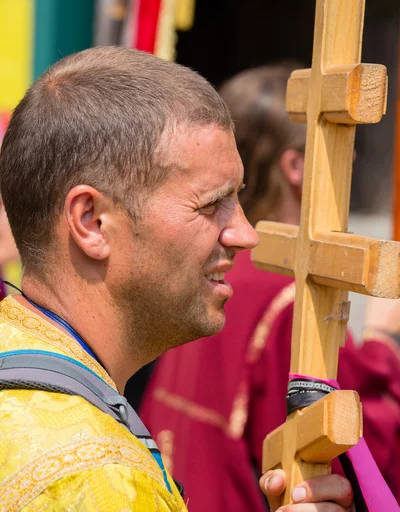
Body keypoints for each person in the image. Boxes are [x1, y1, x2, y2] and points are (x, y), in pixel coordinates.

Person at [0, 47, 362, 510]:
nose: (246, 234)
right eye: (211, 205)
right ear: (90, 221)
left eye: (239, 198)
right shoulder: (97, 480)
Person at [140, 65, 400, 511]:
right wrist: (386, 343)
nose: (352, 160)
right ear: (295, 165)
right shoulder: (291, 302)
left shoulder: (204, 272)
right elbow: (350, 450)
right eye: (342, 144)